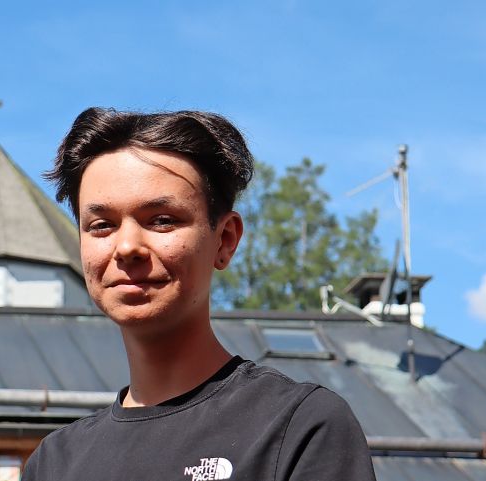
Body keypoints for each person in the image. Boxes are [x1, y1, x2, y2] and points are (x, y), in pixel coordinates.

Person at [22, 108, 376, 481]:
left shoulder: (298, 429)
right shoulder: (55, 462)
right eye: (101, 225)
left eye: (162, 220)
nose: (126, 247)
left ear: (225, 240)